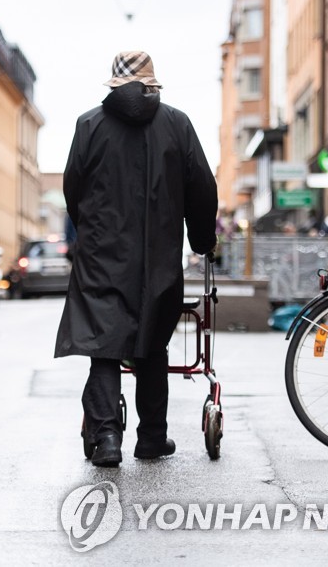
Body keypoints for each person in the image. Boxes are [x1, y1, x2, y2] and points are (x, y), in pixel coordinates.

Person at [55, 51, 218, 467]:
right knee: (152, 346)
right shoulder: (177, 124)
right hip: (159, 255)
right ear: (152, 84)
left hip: (100, 255)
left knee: (104, 346)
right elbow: (202, 187)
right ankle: (151, 438)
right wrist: (201, 239)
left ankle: (107, 438)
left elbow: (73, 188)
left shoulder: (89, 124)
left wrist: (89, 231)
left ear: (112, 83)